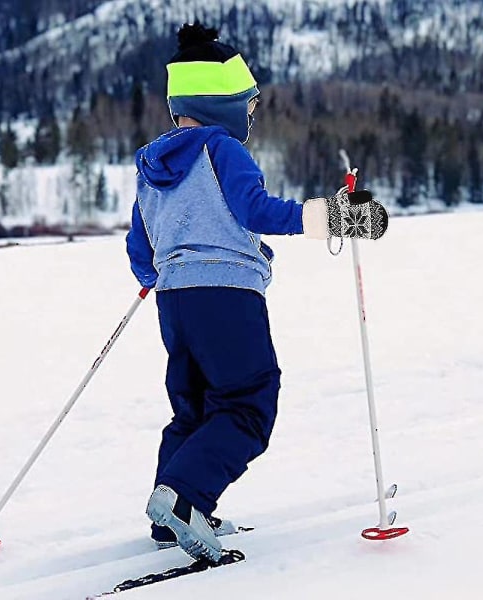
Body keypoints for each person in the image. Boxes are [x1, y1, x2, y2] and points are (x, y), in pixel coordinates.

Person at [126, 21, 387, 563]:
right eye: (247, 104)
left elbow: (139, 243)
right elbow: (256, 211)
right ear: (220, 101)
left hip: (174, 300)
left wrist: (155, 278)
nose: (250, 114)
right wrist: (329, 217)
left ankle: (173, 509)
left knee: (194, 406)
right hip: (226, 294)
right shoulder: (222, 150)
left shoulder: (151, 164)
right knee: (248, 400)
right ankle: (183, 498)